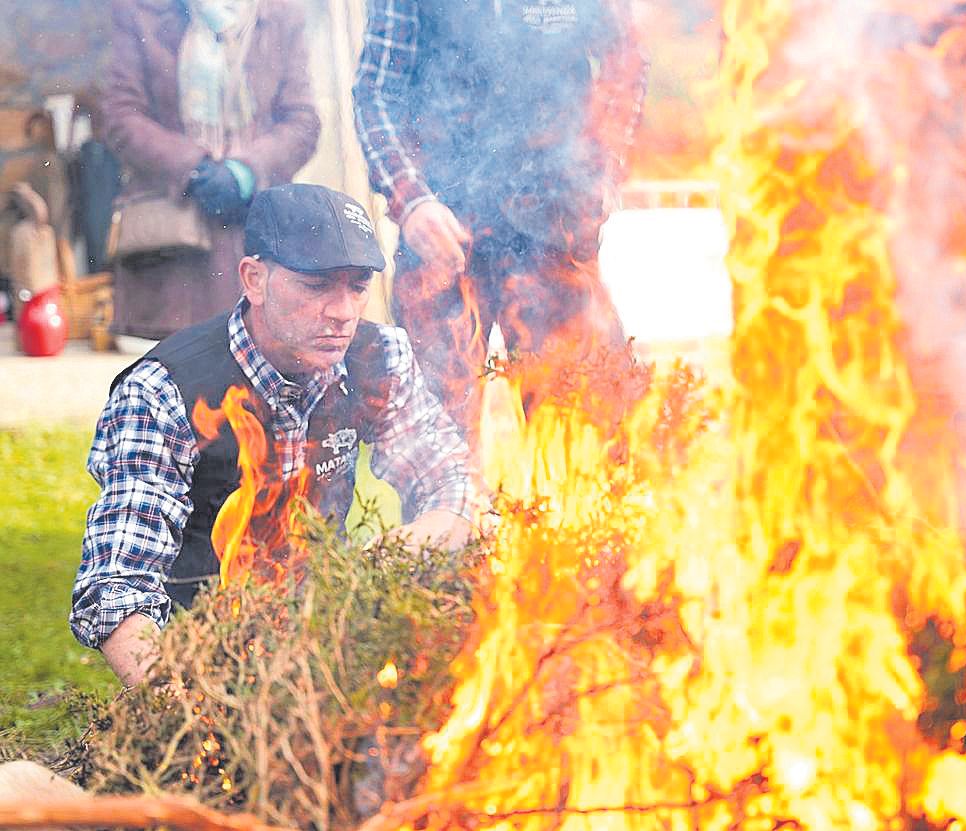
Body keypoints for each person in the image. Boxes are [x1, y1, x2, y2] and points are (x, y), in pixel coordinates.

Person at [71, 184, 483, 687]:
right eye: (317, 286)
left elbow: (451, 476)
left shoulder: (380, 356)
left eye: (357, 286)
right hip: (201, 656)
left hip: (334, 640)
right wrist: (179, 709)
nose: (344, 311)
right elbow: (117, 586)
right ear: (255, 279)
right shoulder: (163, 391)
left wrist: (418, 538)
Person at [352, 0, 648, 442]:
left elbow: (625, 63)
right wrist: (410, 200)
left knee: (587, 429)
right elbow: (377, 94)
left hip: (554, 230)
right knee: (440, 442)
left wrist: (604, 168)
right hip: (443, 236)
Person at [102, 0, 321, 341]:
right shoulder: (142, 11)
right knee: (178, 369)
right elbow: (120, 116)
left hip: (254, 229)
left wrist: (245, 171)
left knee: (261, 358)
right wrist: (192, 165)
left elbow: (302, 122)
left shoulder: (281, 12)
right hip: (175, 246)